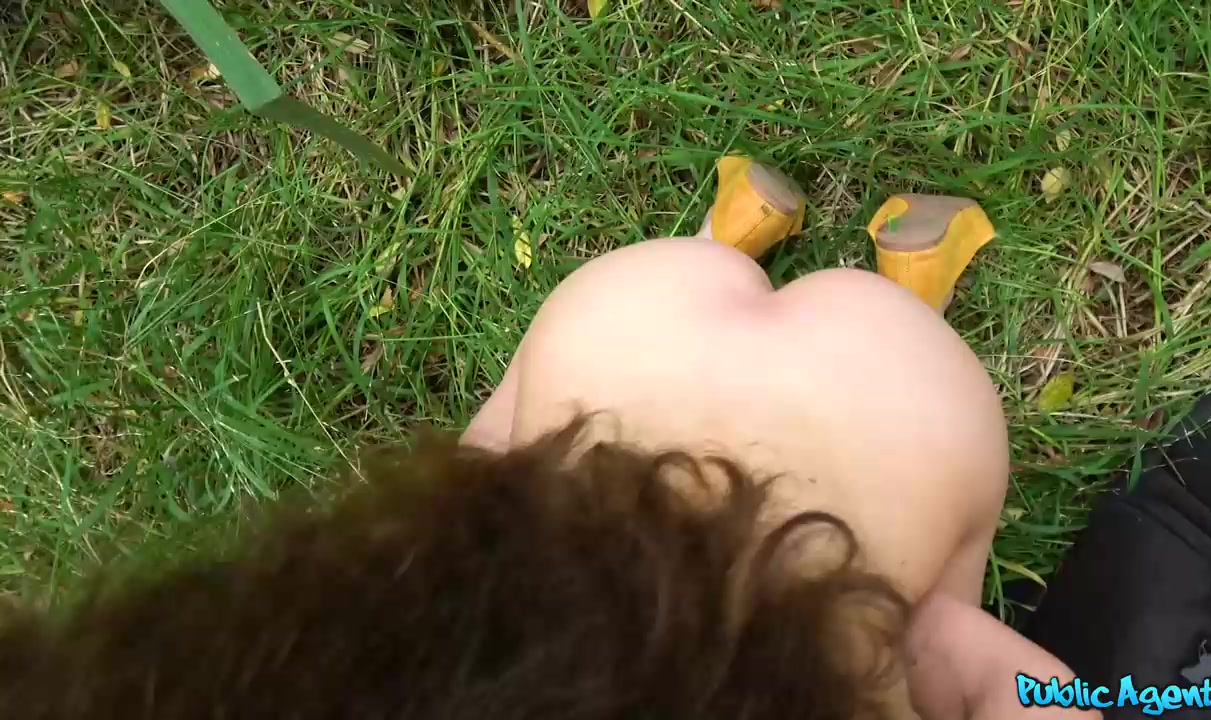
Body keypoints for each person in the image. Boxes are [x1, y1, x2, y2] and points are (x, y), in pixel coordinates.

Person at [0, 159, 1093, 719]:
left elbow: (1026, 695)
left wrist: (911, 641)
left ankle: (901, 290)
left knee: (933, 596)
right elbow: (476, 479)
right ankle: (727, 244)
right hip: (628, 313)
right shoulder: (403, 611)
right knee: (495, 458)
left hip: (903, 401)